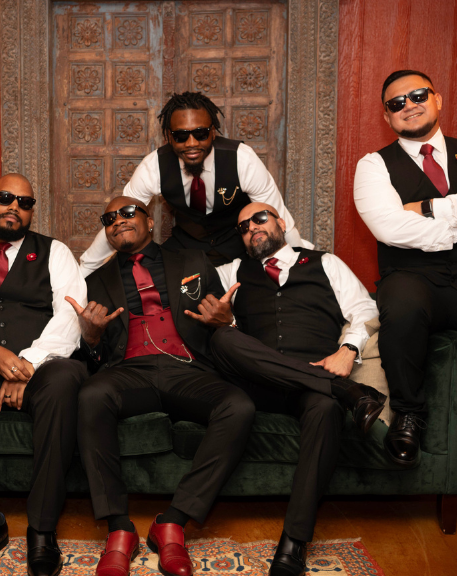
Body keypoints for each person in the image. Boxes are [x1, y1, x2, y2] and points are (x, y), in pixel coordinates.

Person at [353, 69, 457, 551]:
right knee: (403, 309)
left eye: (417, 95)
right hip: (410, 278)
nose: (408, 104)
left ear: (438, 99)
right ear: (387, 116)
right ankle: (409, 414)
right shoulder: (373, 165)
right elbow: (389, 229)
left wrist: (427, 208)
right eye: (396, 102)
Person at [68, 196, 255, 576]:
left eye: (128, 212)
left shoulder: (193, 261)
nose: (118, 221)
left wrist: (228, 319)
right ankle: (119, 527)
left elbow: (223, 320)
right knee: (91, 395)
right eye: (109, 218)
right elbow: (95, 357)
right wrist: (91, 337)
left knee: (239, 406)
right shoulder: (94, 282)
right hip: (129, 370)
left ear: (151, 221)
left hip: (187, 368)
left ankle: (173, 521)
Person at [199, 202, 386, 576]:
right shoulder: (231, 271)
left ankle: (294, 542)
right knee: (223, 339)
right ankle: (345, 391)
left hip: (313, 384)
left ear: (281, 223)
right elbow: (184, 283)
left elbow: (365, 310)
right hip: (259, 383)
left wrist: (348, 349)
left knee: (326, 409)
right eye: (243, 227)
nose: (252, 228)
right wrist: (225, 320)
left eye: (260, 218)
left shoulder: (326, 263)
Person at [0, 174, 88, 576]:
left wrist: (26, 364)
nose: (15, 207)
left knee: (64, 381)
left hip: (44, 364)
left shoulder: (55, 252)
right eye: (6, 197)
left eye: (25, 202)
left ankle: (42, 526)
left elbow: (70, 315)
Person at [79, 91, 312, 274]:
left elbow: (278, 217)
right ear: (169, 137)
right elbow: (121, 218)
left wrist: (301, 265)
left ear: (213, 132)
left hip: (238, 245)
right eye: (181, 136)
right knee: (146, 275)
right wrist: (85, 269)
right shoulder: (154, 166)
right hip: (187, 247)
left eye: (200, 134)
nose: (191, 143)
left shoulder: (242, 159)